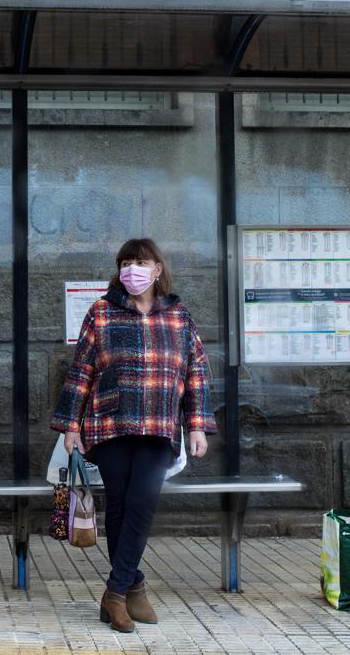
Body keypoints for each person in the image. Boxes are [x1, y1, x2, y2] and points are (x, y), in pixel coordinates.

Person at [51, 238, 216, 633]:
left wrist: (197, 424)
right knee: (121, 508)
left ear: (158, 269)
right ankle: (133, 585)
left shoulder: (179, 316)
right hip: (109, 426)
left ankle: (115, 593)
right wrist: (70, 426)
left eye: (140, 262)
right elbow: (81, 372)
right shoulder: (102, 312)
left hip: (158, 428)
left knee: (141, 504)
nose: (132, 270)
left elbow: (196, 373)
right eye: (125, 263)